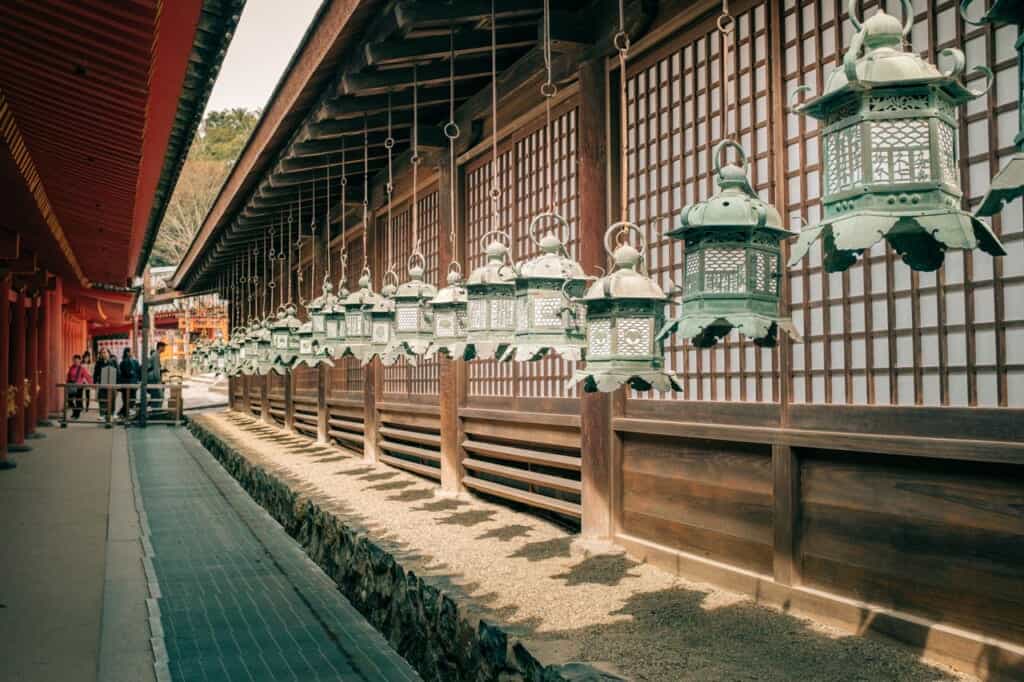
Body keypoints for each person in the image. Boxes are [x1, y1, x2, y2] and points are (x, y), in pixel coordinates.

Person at [65, 355, 92, 419]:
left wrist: (91, 384)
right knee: (70, 400)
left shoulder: (82, 368)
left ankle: (77, 414)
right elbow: (68, 376)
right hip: (71, 385)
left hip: (79, 386)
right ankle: (75, 411)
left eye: (77, 360)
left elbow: (87, 376)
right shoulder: (71, 367)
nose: (75, 362)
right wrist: (66, 383)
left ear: (80, 361)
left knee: (78, 401)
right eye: (74, 360)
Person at [93, 349, 117, 418]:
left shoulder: (113, 361)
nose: (103, 354)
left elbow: (118, 371)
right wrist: (94, 383)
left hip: (112, 383)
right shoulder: (99, 362)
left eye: (105, 352)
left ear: (109, 353)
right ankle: (102, 414)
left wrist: (118, 384)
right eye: (102, 353)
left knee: (112, 398)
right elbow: (95, 373)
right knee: (102, 399)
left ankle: (112, 413)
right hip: (102, 383)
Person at [118, 348, 141, 418]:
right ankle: (123, 414)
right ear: (127, 353)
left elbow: (138, 372)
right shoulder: (123, 362)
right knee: (127, 400)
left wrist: (137, 378)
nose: (133, 353)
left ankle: (123, 414)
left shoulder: (135, 361)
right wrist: (134, 374)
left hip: (133, 384)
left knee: (130, 400)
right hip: (127, 384)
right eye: (131, 352)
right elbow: (128, 373)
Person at [147, 341, 166, 410]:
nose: (165, 349)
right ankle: (156, 411)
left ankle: (156, 410)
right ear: (160, 347)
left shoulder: (155, 354)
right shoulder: (156, 355)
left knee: (156, 397)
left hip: (152, 378)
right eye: (164, 347)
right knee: (159, 396)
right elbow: (156, 369)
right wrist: (159, 380)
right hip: (154, 379)